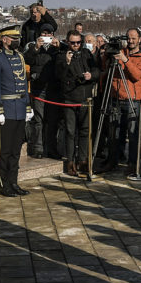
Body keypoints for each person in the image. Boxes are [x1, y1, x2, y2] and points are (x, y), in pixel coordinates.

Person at [94, 28, 141, 173]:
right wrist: (107, 55)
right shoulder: (120, 51)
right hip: (115, 98)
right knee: (113, 133)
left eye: (133, 38)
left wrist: (125, 60)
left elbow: (137, 76)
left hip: (132, 99)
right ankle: (112, 161)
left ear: (139, 39)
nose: (130, 41)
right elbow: (105, 68)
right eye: (128, 38)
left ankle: (133, 164)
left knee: (133, 134)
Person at [0, 25, 31, 196]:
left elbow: (24, 84)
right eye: (13, 39)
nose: (16, 41)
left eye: (18, 38)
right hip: (5, 110)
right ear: (4, 39)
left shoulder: (19, 56)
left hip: (19, 108)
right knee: (4, 151)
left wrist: (27, 106)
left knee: (15, 150)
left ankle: (14, 182)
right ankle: (4, 184)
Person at [57, 29, 98, 176]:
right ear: (67, 42)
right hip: (69, 99)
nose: (76, 45)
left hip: (85, 98)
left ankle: (83, 161)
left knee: (85, 131)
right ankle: (70, 162)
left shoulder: (86, 54)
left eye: (78, 42)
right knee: (70, 132)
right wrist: (67, 63)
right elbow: (59, 76)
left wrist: (91, 75)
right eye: (73, 43)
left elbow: (97, 71)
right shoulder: (62, 56)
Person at [23, 23, 61, 158]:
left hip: (53, 89)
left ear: (53, 35)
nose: (46, 36)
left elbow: (64, 61)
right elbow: (27, 59)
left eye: (49, 34)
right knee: (38, 120)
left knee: (52, 121)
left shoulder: (58, 47)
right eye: (43, 33)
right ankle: (38, 148)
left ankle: (51, 148)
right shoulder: (32, 47)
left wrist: (59, 48)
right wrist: (36, 47)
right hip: (38, 89)